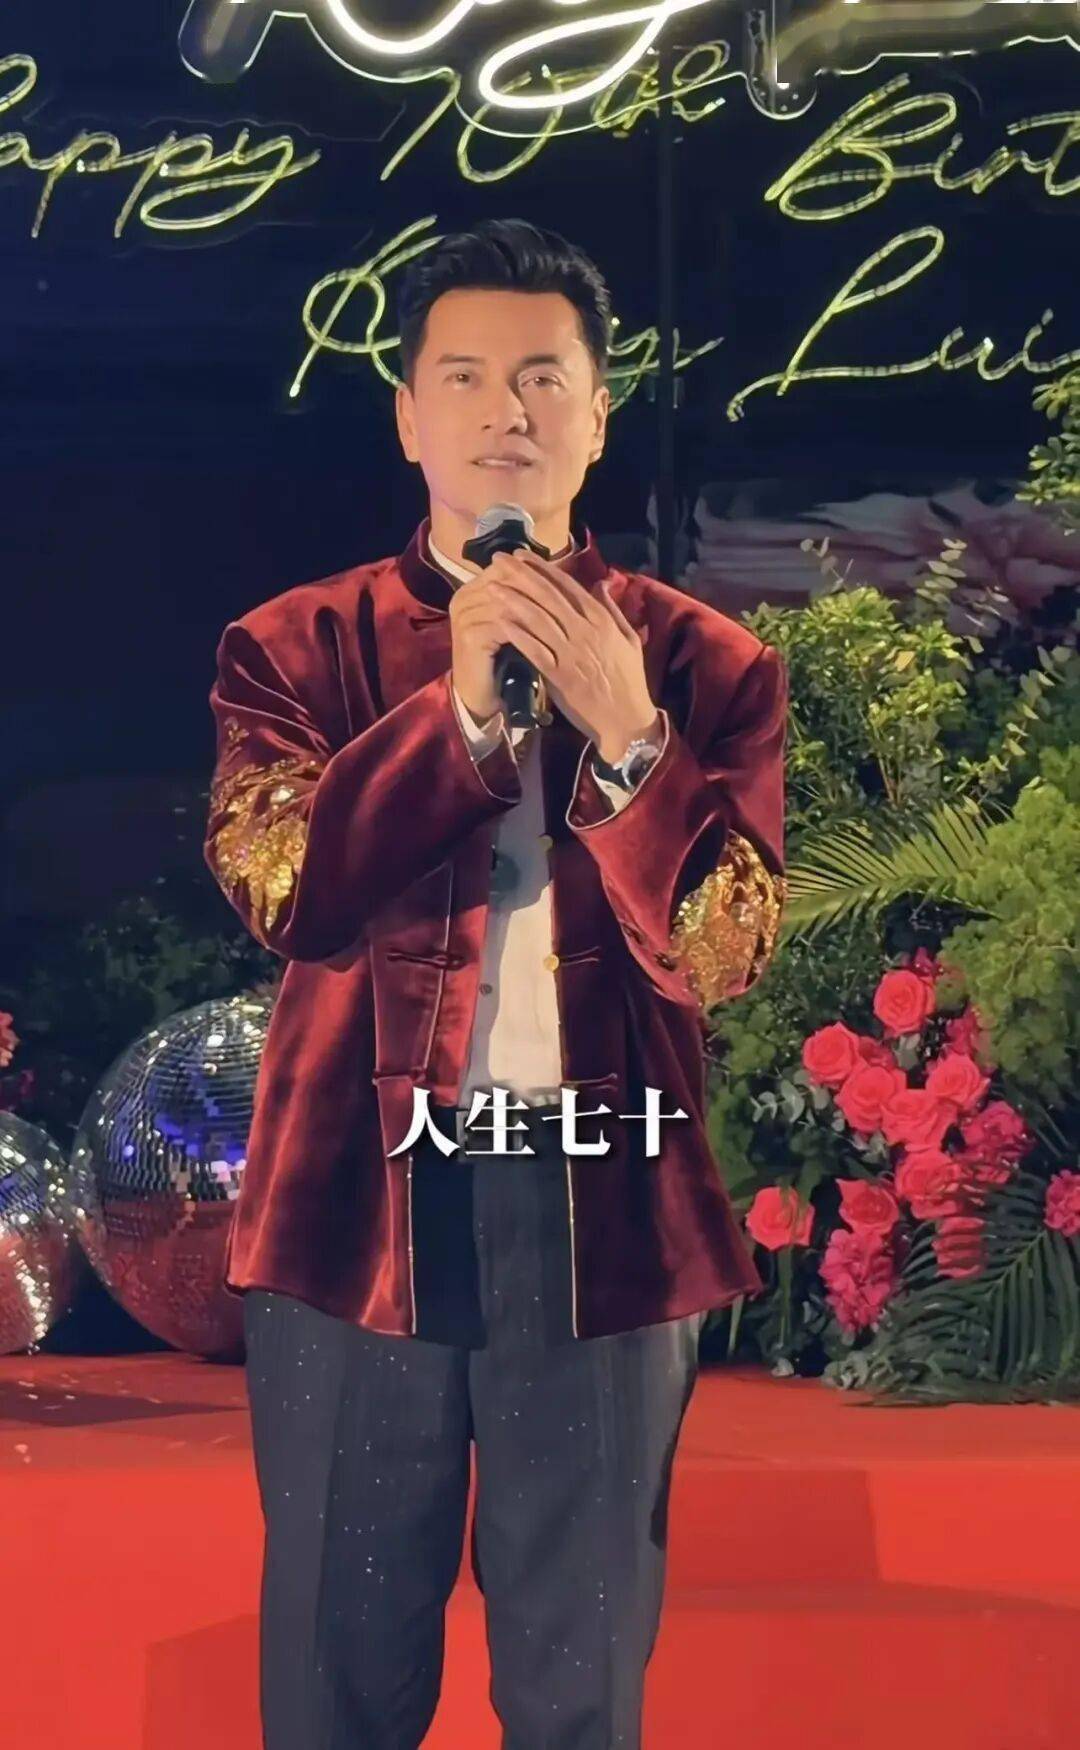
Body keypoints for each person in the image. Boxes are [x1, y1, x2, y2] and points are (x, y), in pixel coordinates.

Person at [203, 216, 787, 1750]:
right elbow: (284, 889)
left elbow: (725, 950)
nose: (505, 410)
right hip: (355, 1208)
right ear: (408, 416)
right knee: (334, 1680)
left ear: (597, 413)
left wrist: (634, 738)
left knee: (578, 1683)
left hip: (606, 1210)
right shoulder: (293, 649)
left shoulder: (709, 666)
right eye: (463, 376)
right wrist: (460, 713)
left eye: (542, 377)